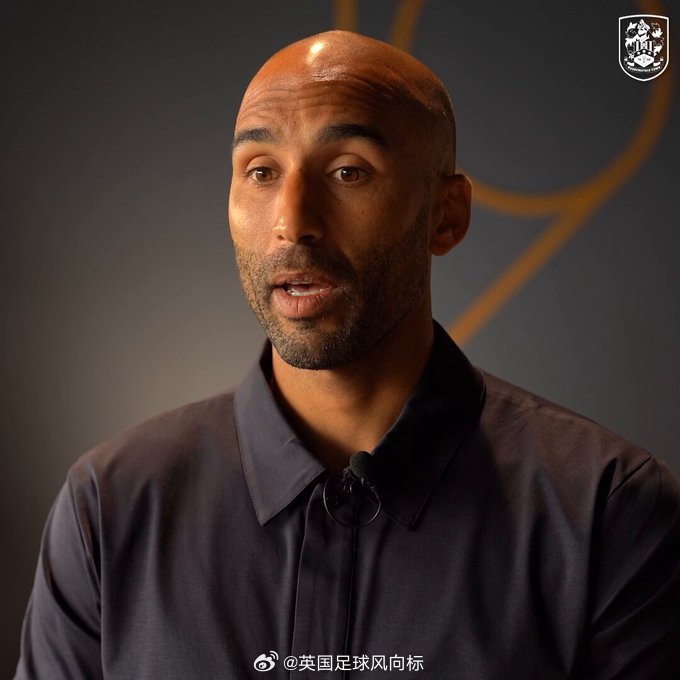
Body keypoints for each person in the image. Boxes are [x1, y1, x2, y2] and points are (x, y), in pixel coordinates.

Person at [15, 30, 680, 679]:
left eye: (348, 171)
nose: (292, 221)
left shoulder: (608, 512)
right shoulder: (109, 508)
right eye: (261, 172)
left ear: (446, 215)